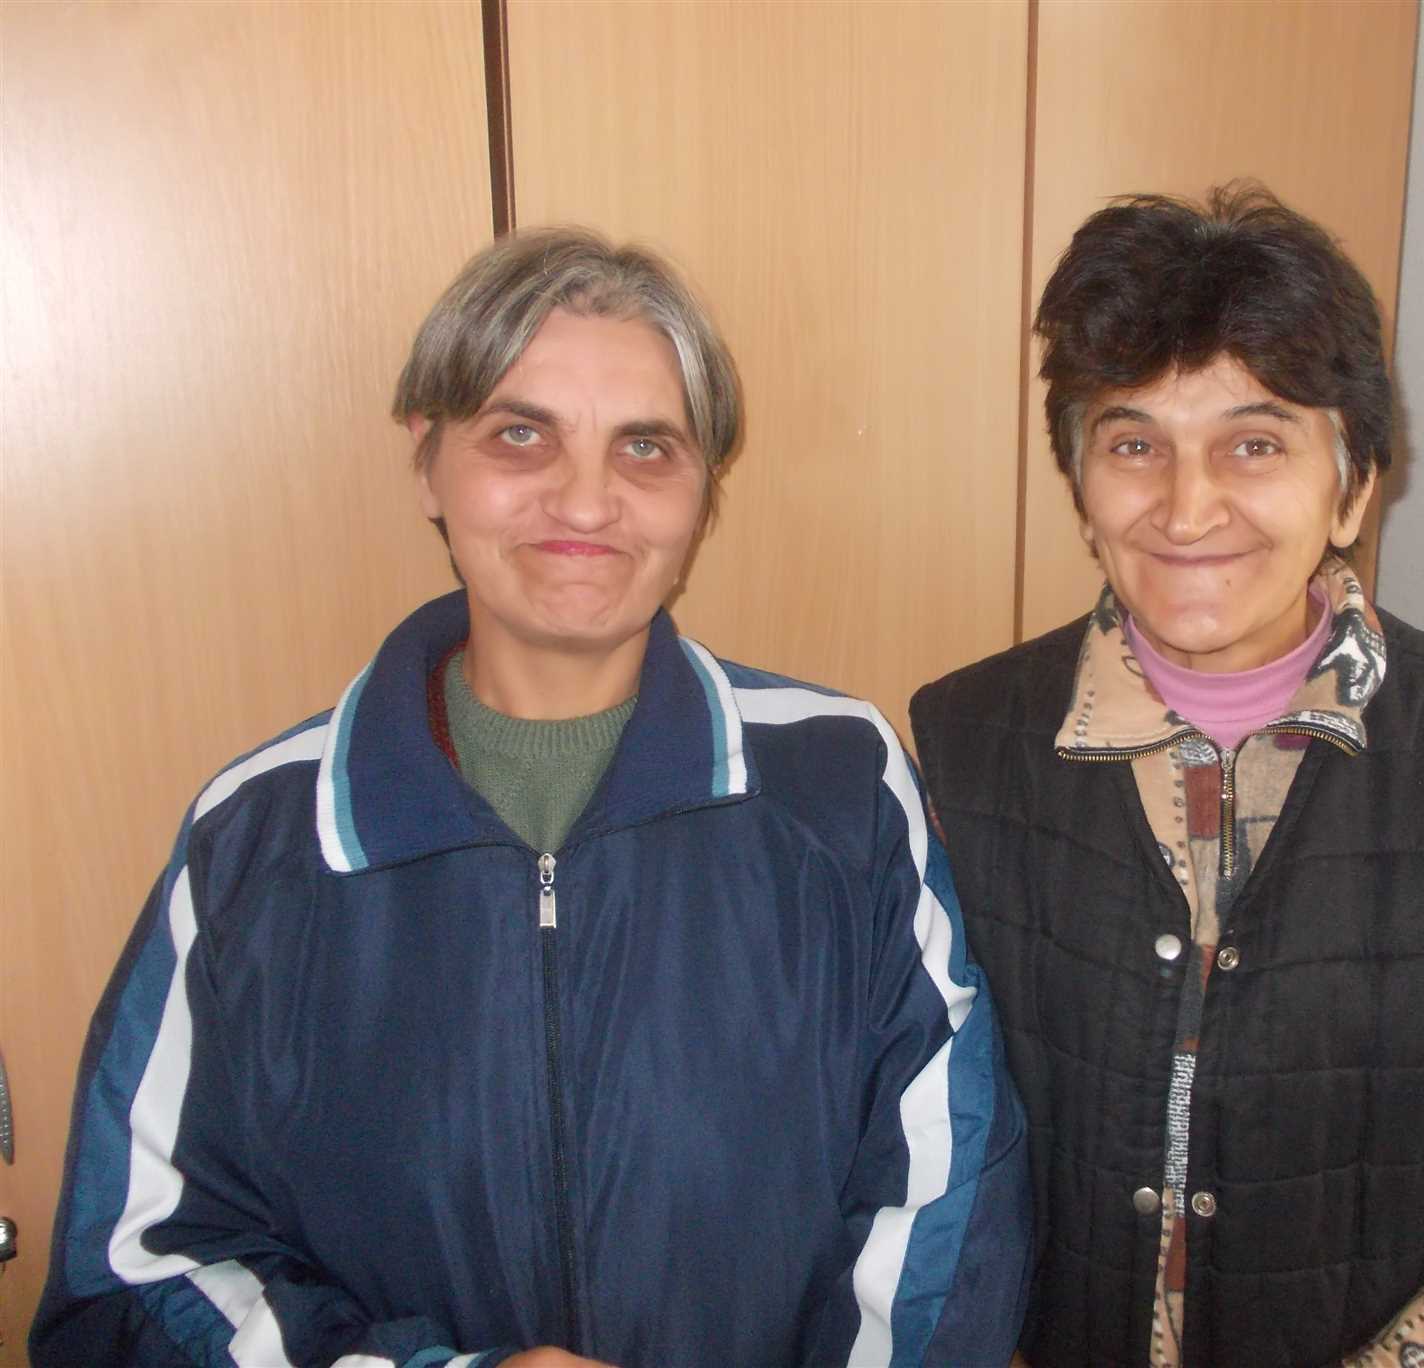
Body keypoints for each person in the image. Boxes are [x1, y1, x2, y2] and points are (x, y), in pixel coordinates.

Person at [33, 228, 1032, 1368]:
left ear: (704, 494)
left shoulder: (840, 786)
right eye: (521, 433)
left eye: (646, 447)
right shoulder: (260, 838)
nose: (586, 501)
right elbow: (135, 1274)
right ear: (427, 462)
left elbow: (946, 1215)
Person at [909, 184, 1424, 1367]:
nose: (1187, 509)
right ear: (1081, 488)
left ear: (1354, 484)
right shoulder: (962, 756)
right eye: (1135, 444)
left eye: (1256, 443)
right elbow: (899, 1152)